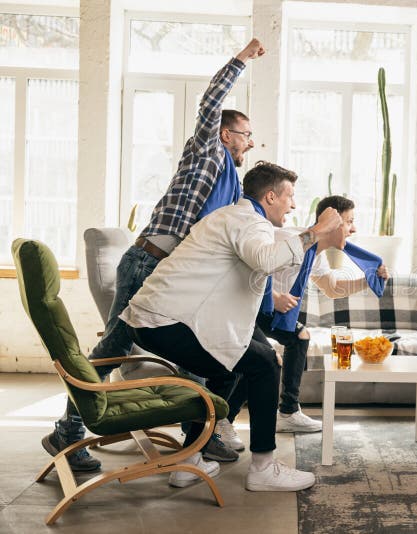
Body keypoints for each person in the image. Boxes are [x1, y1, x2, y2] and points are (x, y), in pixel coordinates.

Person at [41, 38, 265, 472]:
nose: (250, 144)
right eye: (246, 135)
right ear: (225, 133)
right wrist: (241, 59)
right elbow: (210, 101)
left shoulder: (234, 189)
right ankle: (68, 429)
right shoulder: (207, 153)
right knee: (113, 347)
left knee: (196, 348)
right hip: (147, 263)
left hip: (173, 275)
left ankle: (195, 438)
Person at [121, 161, 343, 491]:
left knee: (227, 369)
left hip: (155, 320)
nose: (293, 204)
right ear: (270, 196)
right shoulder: (249, 222)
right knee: (265, 364)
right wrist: (317, 231)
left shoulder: (232, 217)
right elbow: (266, 260)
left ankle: (189, 460)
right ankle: (263, 468)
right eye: (290, 196)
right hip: (167, 321)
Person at [219, 195, 389, 440]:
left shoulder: (316, 253)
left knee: (300, 336)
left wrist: (369, 281)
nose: (354, 229)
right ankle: (225, 421)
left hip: (264, 310)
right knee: (265, 359)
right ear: (333, 221)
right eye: (349, 222)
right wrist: (274, 295)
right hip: (245, 306)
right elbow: (245, 263)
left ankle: (288, 411)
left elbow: (332, 288)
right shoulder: (289, 239)